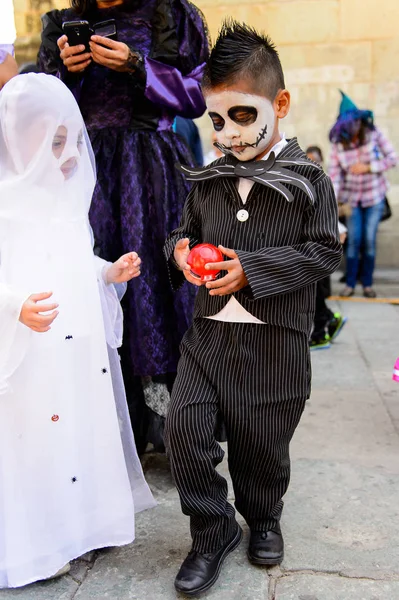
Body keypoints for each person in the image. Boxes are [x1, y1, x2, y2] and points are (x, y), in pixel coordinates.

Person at [163, 21, 342, 596]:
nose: (228, 133)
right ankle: (212, 529)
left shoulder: (309, 179)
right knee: (184, 428)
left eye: (242, 115)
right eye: (215, 120)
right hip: (208, 337)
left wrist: (254, 268)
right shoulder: (208, 178)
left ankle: (263, 516)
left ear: (278, 103)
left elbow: (324, 250)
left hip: (275, 343)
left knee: (261, 444)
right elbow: (182, 233)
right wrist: (182, 252)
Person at [0, 73, 155, 589]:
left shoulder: (66, 200)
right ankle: (41, 537)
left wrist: (106, 272)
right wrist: (16, 304)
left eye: (71, 140)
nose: (67, 155)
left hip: (72, 345)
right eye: (55, 141)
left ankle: (80, 522)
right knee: (36, 439)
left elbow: (72, 258)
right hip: (30, 351)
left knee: (76, 431)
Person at [37, 0, 210, 454]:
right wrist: (66, 76)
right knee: (93, 286)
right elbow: (39, 117)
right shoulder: (60, 24)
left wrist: (138, 66)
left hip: (153, 173)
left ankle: (178, 429)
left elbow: (199, 97)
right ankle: (111, 431)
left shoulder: (173, 15)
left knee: (161, 286)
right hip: (86, 175)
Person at [329, 91, 397, 298]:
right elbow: (334, 176)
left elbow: (393, 159)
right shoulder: (339, 143)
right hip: (352, 201)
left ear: (359, 123)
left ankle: (367, 284)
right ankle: (350, 283)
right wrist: (331, 203)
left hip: (374, 198)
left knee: (369, 241)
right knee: (354, 240)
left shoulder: (375, 135)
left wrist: (369, 167)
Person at [306, 145, 347, 350]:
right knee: (314, 291)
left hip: (319, 247)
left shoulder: (323, 182)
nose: (312, 162)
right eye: (308, 158)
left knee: (315, 291)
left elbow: (328, 213)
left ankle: (322, 329)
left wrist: (339, 231)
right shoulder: (304, 180)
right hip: (307, 245)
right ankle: (330, 319)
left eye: (315, 159)